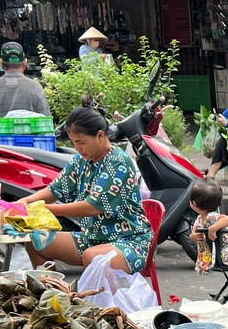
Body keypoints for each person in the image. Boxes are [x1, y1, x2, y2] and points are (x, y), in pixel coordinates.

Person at [16, 106, 150, 275]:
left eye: (81, 142)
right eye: (74, 143)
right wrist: (24, 203)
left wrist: (42, 209)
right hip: (92, 239)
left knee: (93, 257)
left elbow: (93, 207)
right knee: (36, 242)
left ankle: (98, 302)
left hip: (130, 242)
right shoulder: (81, 160)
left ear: (100, 136)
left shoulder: (118, 162)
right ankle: (51, 293)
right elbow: (55, 189)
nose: (77, 148)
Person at [0, 42, 51, 139]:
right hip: (33, 147)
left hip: (4, 146)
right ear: (25, 63)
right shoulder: (36, 87)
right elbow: (46, 122)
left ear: (0, 63)